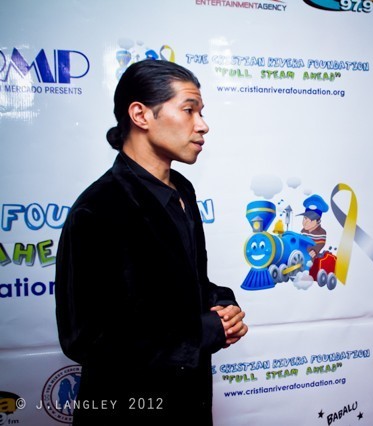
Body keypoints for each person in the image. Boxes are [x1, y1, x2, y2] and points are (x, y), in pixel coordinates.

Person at [55, 59, 248, 426]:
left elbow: (185, 284)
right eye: (189, 110)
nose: (202, 125)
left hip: (189, 404)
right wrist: (204, 332)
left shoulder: (182, 190)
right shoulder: (98, 209)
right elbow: (87, 338)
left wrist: (222, 304)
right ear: (141, 115)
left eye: (201, 112)